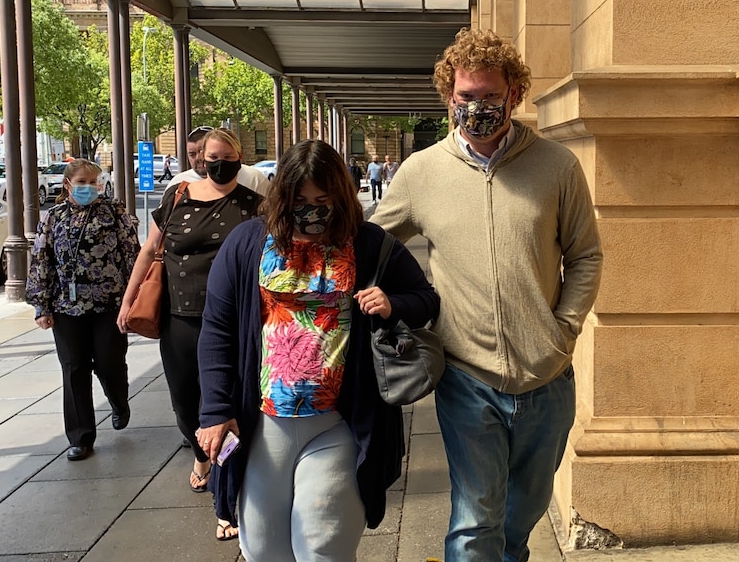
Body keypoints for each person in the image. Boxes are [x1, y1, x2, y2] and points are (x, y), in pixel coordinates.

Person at [370, 28, 603, 562]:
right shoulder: (422, 173)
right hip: (467, 379)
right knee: (476, 520)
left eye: (488, 98)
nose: (476, 109)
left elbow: (586, 256)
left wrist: (563, 330)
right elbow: (370, 247)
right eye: (465, 98)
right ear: (449, 97)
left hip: (547, 377)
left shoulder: (557, 166)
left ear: (514, 94)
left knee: (522, 514)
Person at [195, 139, 440, 561]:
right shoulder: (246, 244)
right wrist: (215, 410)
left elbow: (426, 299)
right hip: (264, 424)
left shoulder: (369, 244)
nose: (311, 210)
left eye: (322, 200)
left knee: (322, 538)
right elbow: (217, 329)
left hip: (340, 422)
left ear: (340, 196)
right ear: (281, 197)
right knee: (262, 545)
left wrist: (392, 304)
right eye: (299, 200)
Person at [117, 128, 264, 540]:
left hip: (232, 318)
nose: (217, 163)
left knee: (226, 402)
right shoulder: (177, 197)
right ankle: (202, 453)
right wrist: (127, 301)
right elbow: (149, 250)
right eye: (211, 156)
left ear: (239, 157)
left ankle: (226, 489)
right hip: (180, 317)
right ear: (200, 158)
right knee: (185, 400)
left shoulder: (254, 207)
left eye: (227, 156)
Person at [26, 159, 140, 462]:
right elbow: (41, 262)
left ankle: (118, 400)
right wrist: (42, 305)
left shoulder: (114, 213)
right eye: (82, 182)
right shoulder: (53, 218)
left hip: (108, 304)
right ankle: (80, 436)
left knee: (109, 362)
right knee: (74, 368)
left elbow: (132, 255)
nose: (89, 187)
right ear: (67, 184)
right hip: (66, 306)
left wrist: (134, 299)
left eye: (94, 181)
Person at [167, 126, 270, 198]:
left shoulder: (254, 179)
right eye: (192, 154)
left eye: (227, 156)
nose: (198, 158)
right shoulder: (178, 185)